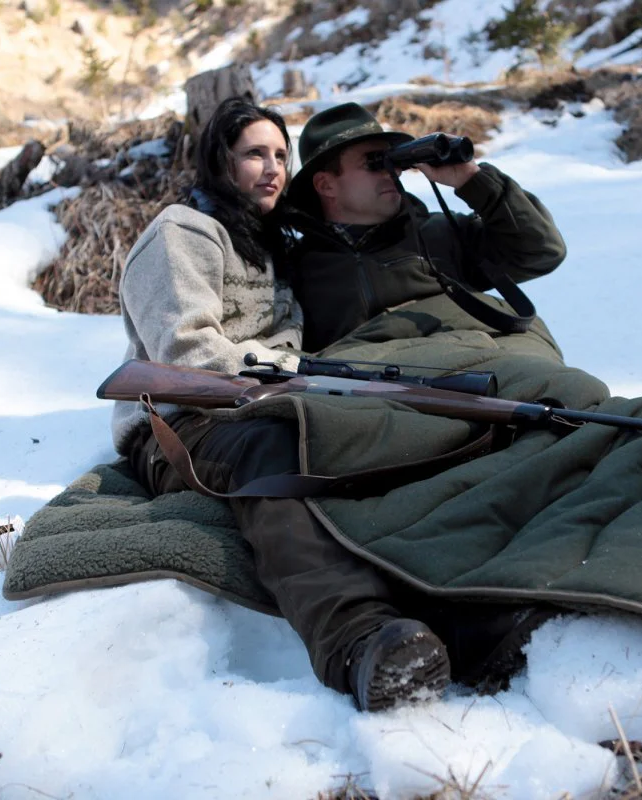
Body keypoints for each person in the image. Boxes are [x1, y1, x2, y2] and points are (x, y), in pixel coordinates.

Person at [111, 97, 550, 714]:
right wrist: (304, 375)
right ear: (220, 162)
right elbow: (184, 353)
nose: (271, 167)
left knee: (358, 446)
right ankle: (357, 641)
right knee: (277, 457)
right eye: (253, 154)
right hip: (183, 420)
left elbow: (537, 250)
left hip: (271, 402)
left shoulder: (272, 247)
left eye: (279, 154)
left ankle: (463, 623)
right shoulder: (181, 231)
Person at [282, 102, 567, 353]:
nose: (392, 171)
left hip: (468, 371)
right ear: (325, 185)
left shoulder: (442, 233)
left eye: (394, 160)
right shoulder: (298, 268)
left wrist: (473, 180)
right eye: (375, 163)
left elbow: (541, 252)